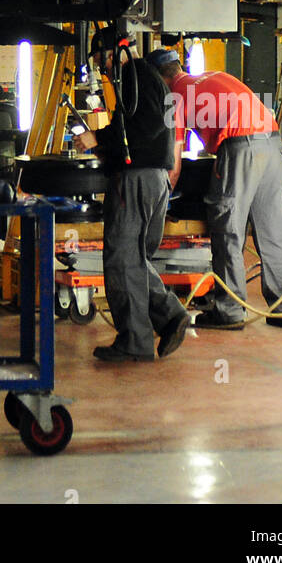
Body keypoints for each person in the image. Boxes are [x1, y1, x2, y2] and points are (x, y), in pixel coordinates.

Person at [147, 48, 282, 330]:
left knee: (228, 228)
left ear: (158, 80)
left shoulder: (174, 97)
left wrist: (161, 200)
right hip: (274, 145)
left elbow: (174, 162)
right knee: (274, 230)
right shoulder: (214, 76)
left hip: (242, 150)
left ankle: (229, 311)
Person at [72, 28, 190, 363]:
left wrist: (99, 139)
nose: (102, 69)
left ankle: (134, 342)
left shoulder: (135, 76)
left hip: (136, 178)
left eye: (100, 60)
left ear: (116, 52)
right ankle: (169, 315)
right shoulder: (149, 78)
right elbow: (144, 127)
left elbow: (142, 129)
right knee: (136, 257)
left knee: (122, 258)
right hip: (156, 178)